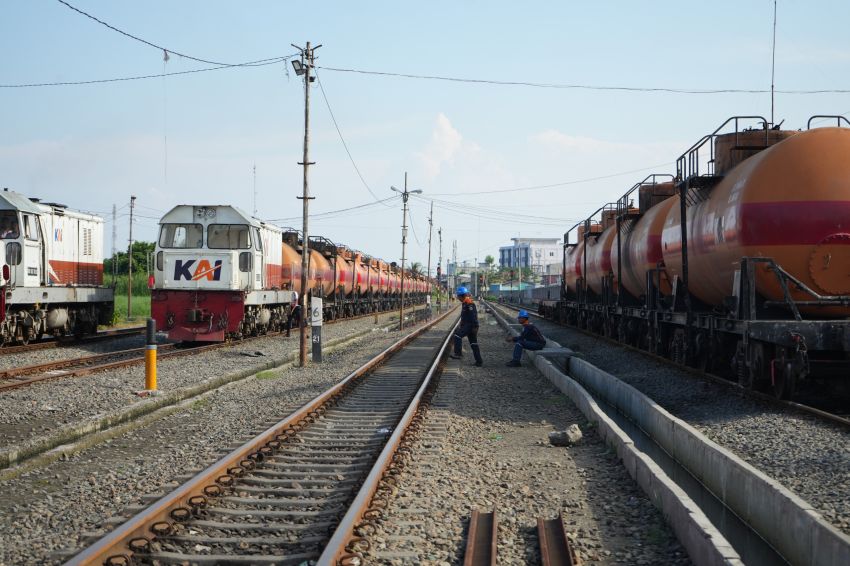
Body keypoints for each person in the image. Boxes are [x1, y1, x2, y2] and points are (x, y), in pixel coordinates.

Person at [450, 286, 483, 367]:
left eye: (458, 296)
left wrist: (475, 326)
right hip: (468, 325)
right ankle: (479, 361)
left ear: (463, 296)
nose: (458, 298)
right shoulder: (465, 303)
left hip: (470, 325)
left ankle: (458, 354)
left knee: (457, 335)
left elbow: (473, 316)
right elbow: (465, 316)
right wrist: (461, 324)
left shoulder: (469, 303)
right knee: (473, 344)